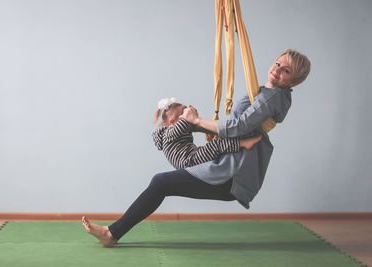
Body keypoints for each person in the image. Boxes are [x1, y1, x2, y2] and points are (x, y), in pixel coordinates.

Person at [82, 48, 311, 248]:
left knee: (161, 182)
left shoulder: (274, 98)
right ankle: (112, 233)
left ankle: (111, 234)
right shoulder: (262, 91)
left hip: (233, 173)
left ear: (294, 81)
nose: (277, 69)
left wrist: (197, 121)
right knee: (162, 183)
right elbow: (234, 126)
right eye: (278, 63)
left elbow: (239, 126)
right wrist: (197, 124)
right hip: (229, 166)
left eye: (286, 71)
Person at [152, 97, 262, 169]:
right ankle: (242, 143)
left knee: (216, 145)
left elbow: (194, 124)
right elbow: (184, 124)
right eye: (183, 114)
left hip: (190, 156)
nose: (186, 115)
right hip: (188, 161)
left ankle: (236, 144)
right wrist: (190, 116)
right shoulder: (168, 133)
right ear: (172, 121)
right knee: (216, 145)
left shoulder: (176, 129)